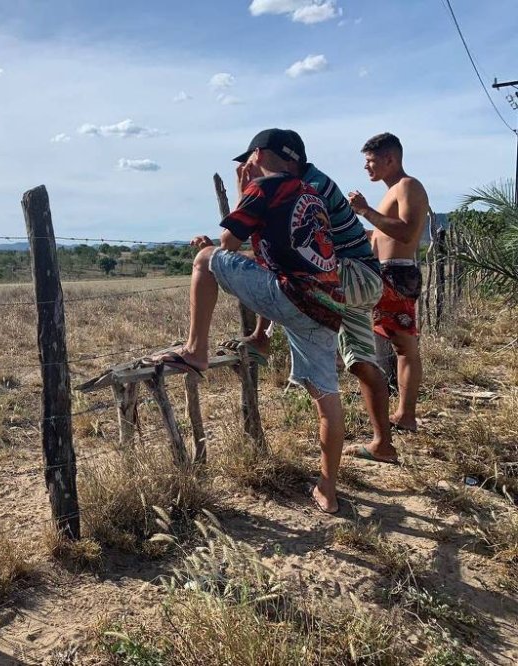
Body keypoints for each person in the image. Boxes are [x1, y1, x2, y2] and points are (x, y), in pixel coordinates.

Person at [153, 129, 346, 514]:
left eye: (248, 160)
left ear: (257, 155)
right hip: (327, 305)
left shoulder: (266, 186)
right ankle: (328, 489)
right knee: (327, 399)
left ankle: (195, 350)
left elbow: (227, 244)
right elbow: (278, 254)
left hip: (292, 298)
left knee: (205, 258)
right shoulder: (310, 194)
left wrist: (245, 192)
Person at [233, 130, 397, 464]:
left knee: (281, 273)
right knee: (362, 363)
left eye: (255, 164)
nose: (253, 172)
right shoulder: (309, 183)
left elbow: (270, 247)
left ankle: (263, 339)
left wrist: (245, 194)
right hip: (361, 278)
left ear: (271, 157)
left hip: (349, 274)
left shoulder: (305, 189)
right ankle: (384, 444)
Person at [347, 133, 429, 433]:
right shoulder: (392, 191)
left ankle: (405, 416)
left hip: (396, 275)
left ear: (390, 159)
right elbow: (384, 235)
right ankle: (399, 413)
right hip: (387, 275)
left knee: (405, 348)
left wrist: (366, 211)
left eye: (370, 161)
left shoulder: (408, 186)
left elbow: (406, 233)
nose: (366, 168)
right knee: (399, 347)